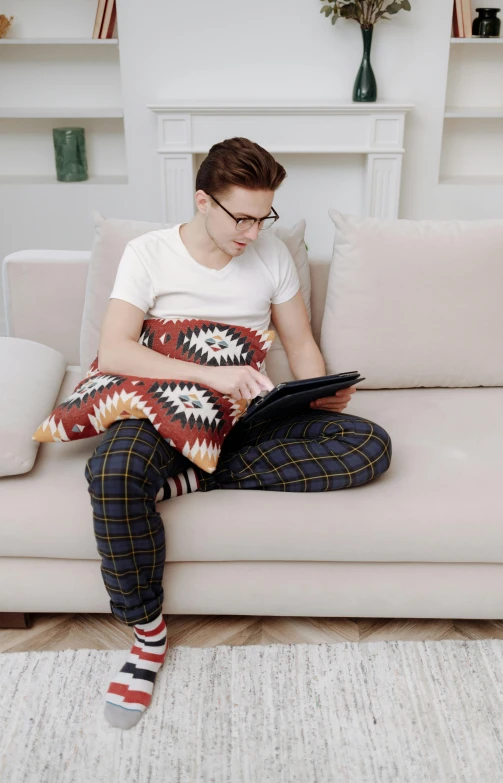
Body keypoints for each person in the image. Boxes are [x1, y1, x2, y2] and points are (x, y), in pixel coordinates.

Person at [85, 136, 392, 729]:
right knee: (112, 472)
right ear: (204, 201)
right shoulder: (148, 253)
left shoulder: (272, 255)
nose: (253, 232)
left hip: (244, 420)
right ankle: (148, 637)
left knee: (368, 445)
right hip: (165, 407)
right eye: (242, 217)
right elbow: (115, 350)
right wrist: (208, 373)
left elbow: (300, 342)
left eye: (264, 216)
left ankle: (188, 484)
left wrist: (318, 391)